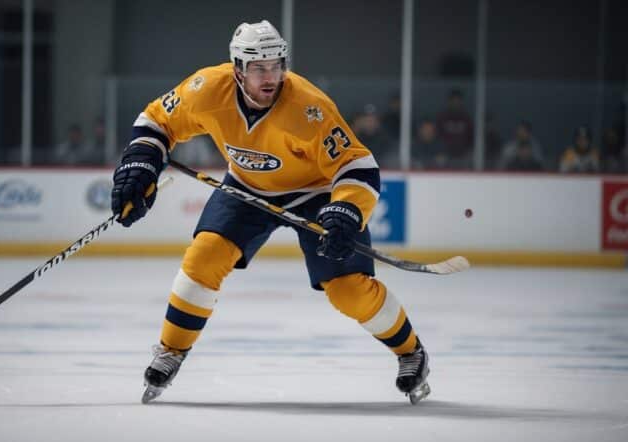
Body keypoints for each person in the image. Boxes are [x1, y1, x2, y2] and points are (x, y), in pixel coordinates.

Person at [110, 20, 430, 405]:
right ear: (238, 69)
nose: (271, 76)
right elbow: (157, 120)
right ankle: (171, 350)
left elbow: (357, 166)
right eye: (259, 67)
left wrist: (345, 210)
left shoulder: (309, 107)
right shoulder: (206, 89)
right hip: (247, 187)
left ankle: (411, 352)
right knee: (205, 255)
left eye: (277, 65)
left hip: (316, 193)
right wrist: (141, 164)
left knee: (348, 292)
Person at [435, 89, 473, 169]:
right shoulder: (442, 117)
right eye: (454, 100)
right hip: (445, 152)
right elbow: (437, 135)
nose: (456, 103)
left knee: (470, 159)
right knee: (440, 160)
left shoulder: (466, 118)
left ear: (461, 102)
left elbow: (471, 137)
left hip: (463, 153)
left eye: (458, 100)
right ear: (449, 101)